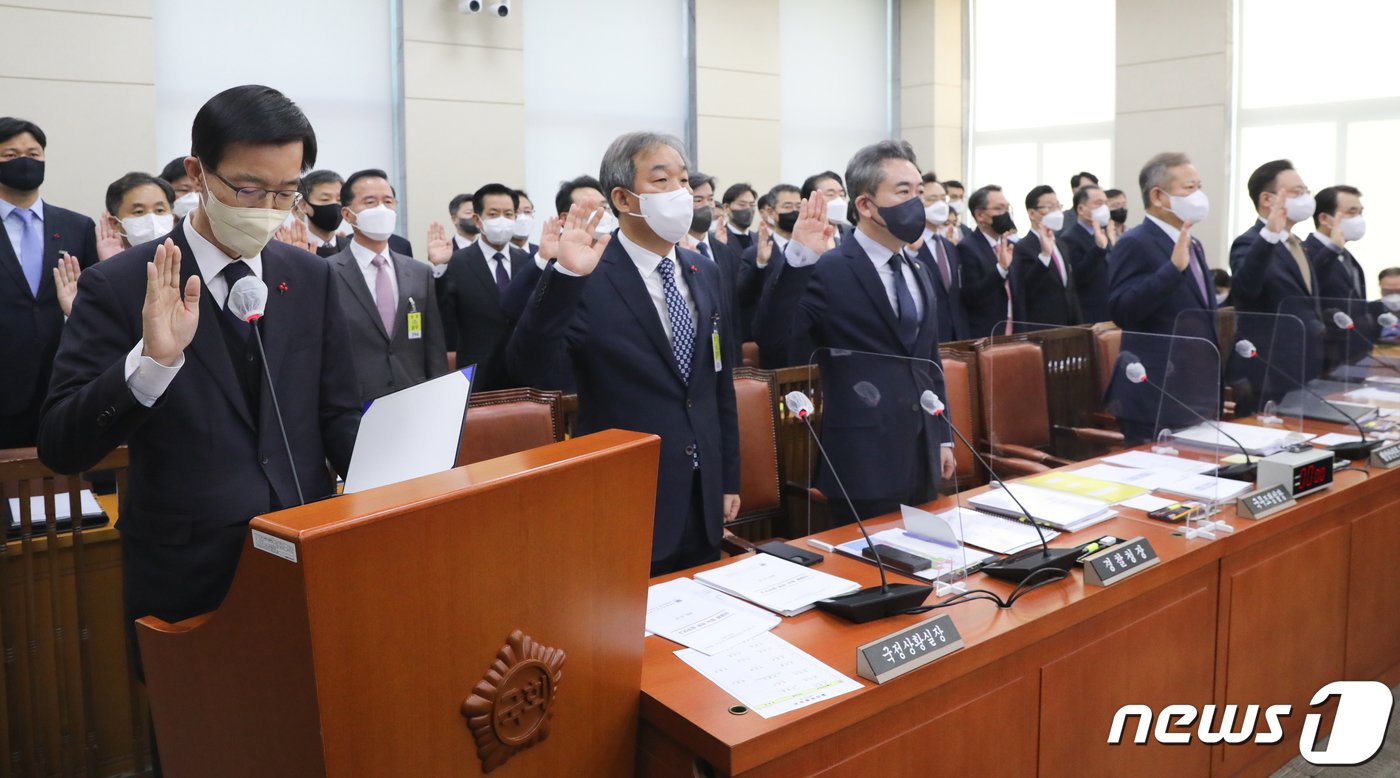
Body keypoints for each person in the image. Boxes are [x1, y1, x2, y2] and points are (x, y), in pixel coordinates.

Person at [37, 84, 361, 696]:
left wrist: (400, 483)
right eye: (248, 189)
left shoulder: (309, 277)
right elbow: (61, 443)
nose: (267, 208)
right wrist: (151, 364)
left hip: (307, 555)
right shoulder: (121, 285)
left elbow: (337, 412)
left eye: (285, 192)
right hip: (189, 577)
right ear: (197, 172)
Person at [507, 131, 739, 576]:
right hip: (629, 493)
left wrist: (728, 477)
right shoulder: (588, 273)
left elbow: (718, 384)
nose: (681, 193)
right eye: (662, 181)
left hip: (704, 493)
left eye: (684, 180)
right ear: (623, 198)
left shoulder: (705, 271)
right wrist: (565, 278)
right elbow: (528, 367)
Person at [770, 139, 956, 524]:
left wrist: (942, 435)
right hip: (862, 457)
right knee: (870, 559)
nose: (916, 203)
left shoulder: (918, 269)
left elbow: (928, 361)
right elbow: (778, 339)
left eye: (918, 192)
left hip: (922, 450)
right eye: (903, 192)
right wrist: (800, 259)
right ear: (866, 205)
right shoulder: (830, 267)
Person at [0, 117, 99, 447]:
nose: (24, 161)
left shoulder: (77, 226)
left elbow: (94, 304)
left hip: (63, 381)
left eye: (33, 154)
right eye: (10, 155)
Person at [1107, 152, 1218, 442]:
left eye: (1199, 187)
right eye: (1189, 188)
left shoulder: (1193, 243)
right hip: (1155, 390)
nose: (1198, 196)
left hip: (1196, 389)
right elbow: (1122, 310)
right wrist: (1172, 270)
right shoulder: (1134, 242)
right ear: (1158, 196)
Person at [330, 168, 447, 400]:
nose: (381, 209)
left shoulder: (419, 272)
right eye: (370, 202)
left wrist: (439, 396)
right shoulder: (328, 272)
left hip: (413, 397)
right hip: (354, 402)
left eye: (388, 201)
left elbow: (433, 347)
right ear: (347, 214)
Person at [436, 183, 531, 390]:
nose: (502, 220)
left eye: (508, 214)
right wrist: (438, 269)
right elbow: (442, 315)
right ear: (478, 220)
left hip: (523, 373)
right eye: (493, 214)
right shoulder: (457, 262)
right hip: (477, 374)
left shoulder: (527, 262)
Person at [1304, 185, 1372, 366]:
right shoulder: (1307, 252)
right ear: (1324, 219)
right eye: (1352, 212)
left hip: (1354, 354)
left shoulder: (1346, 255)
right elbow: (1310, 286)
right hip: (1324, 356)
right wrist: (1332, 249)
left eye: (1360, 212)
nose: (1359, 219)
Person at [1010, 185, 1081, 329]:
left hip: (1067, 325)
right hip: (1041, 325)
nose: (1056, 212)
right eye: (1049, 207)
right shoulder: (1022, 247)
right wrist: (1044, 257)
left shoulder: (1061, 244)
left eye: (1058, 206)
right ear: (1032, 213)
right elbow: (1025, 288)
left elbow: (1069, 288)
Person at [915, 177, 969, 341]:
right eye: (932, 199)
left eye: (943, 199)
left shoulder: (949, 246)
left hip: (955, 334)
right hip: (925, 335)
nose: (939, 205)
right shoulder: (908, 245)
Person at [959, 184, 1016, 338]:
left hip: (1013, 328)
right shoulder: (967, 247)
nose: (1005, 214)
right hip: (986, 331)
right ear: (980, 215)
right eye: (998, 209)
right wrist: (1001, 270)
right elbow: (971, 295)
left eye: (1007, 208)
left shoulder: (1010, 245)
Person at [1057, 183, 1113, 323]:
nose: (1104, 208)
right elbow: (1078, 276)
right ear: (1081, 209)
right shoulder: (1070, 238)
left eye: (1105, 203)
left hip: (1108, 311)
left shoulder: (1102, 233)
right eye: (1098, 203)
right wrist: (1098, 248)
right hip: (1088, 314)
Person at [99, 172, 176, 261]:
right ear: (115, 223)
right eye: (139, 211)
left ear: (172, 218)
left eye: (159, 210)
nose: (152, 221)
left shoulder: (187, 260)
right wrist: (112, 264)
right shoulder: (108, 265)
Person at [293, 169, 345, 257]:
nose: (334, 204)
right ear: (303, 205)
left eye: (339, 200)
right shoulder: (293, 248)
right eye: (325, 199)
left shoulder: (352, 248)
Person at [719, 182, 757, 250]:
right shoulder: (717, 239)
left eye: (752, 205)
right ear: (726, 207)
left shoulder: (759, 240)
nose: (748, 209)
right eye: (742, 205)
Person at [1371, 268, 1400, 340]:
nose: (1394, 296)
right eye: (1387, 292)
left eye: (1398, 291)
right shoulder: (1367, 311)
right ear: (1380, 288)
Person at [510, 189, 539, 255]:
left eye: (527, 212)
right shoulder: (498, 256)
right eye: (516, 212)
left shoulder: (541, 253)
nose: (522, 218)